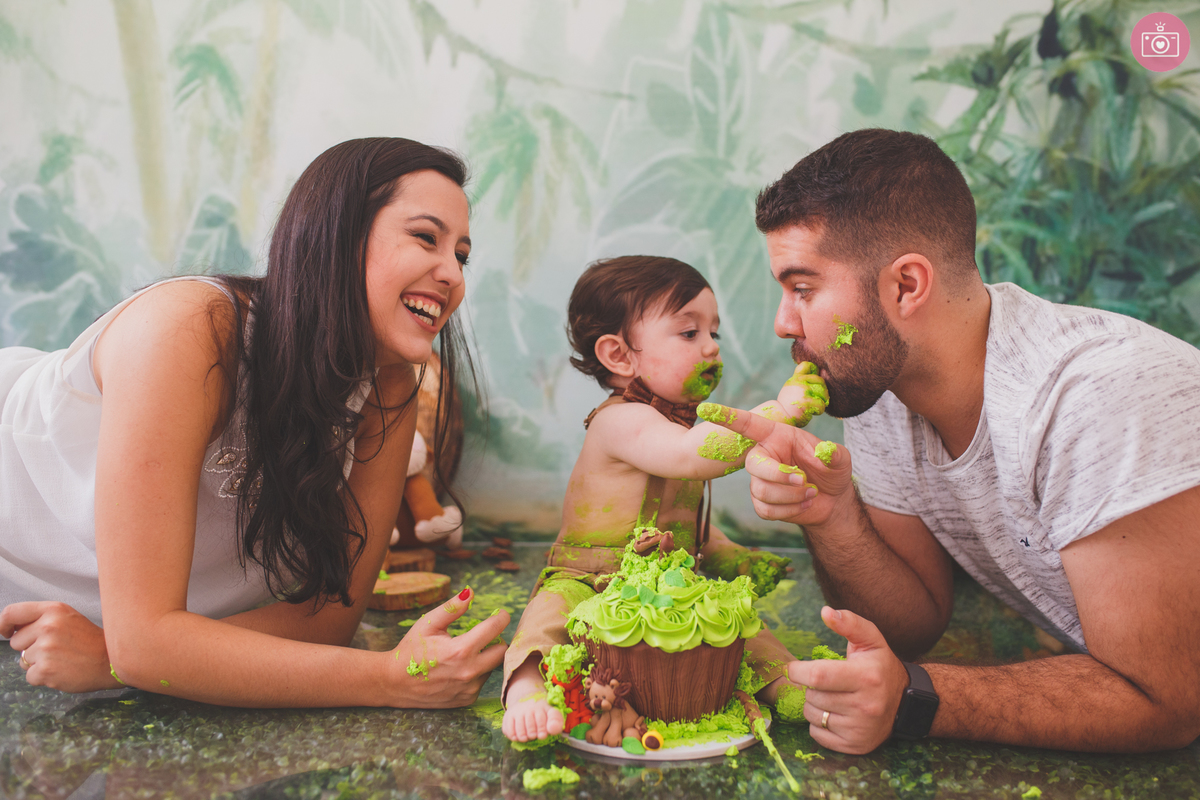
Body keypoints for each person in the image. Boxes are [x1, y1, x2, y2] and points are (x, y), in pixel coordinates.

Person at [701, 128, 1200, 753]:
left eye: (803, 289)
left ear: (906, 285)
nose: (783, 323)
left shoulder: (1095, 397)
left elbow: (1166, 701)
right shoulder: (885, 390)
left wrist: (915, 699)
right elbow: (907, 627)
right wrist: (829, 514)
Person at [0, 138, 508, 707]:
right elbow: (145, 644)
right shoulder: (191, 329)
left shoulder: (388, 388)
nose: (452, 276)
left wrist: (116, 658)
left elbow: (325, 622)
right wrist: (391, 678)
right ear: (337, 237)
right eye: (425, 238)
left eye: (461, 255)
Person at [500, 255, 826, 743]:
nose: (713, 347)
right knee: (547, 621)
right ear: (619, 356)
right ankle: (525, 691)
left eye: (713, 332)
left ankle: (785, 682)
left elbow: (684, 519)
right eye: (689, 333)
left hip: (669, 582)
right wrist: (780, 413)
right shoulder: (620, 421)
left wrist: (729, 555)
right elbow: (692, 457)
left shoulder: (678, 426)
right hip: (590, 578)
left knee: (742, 631)